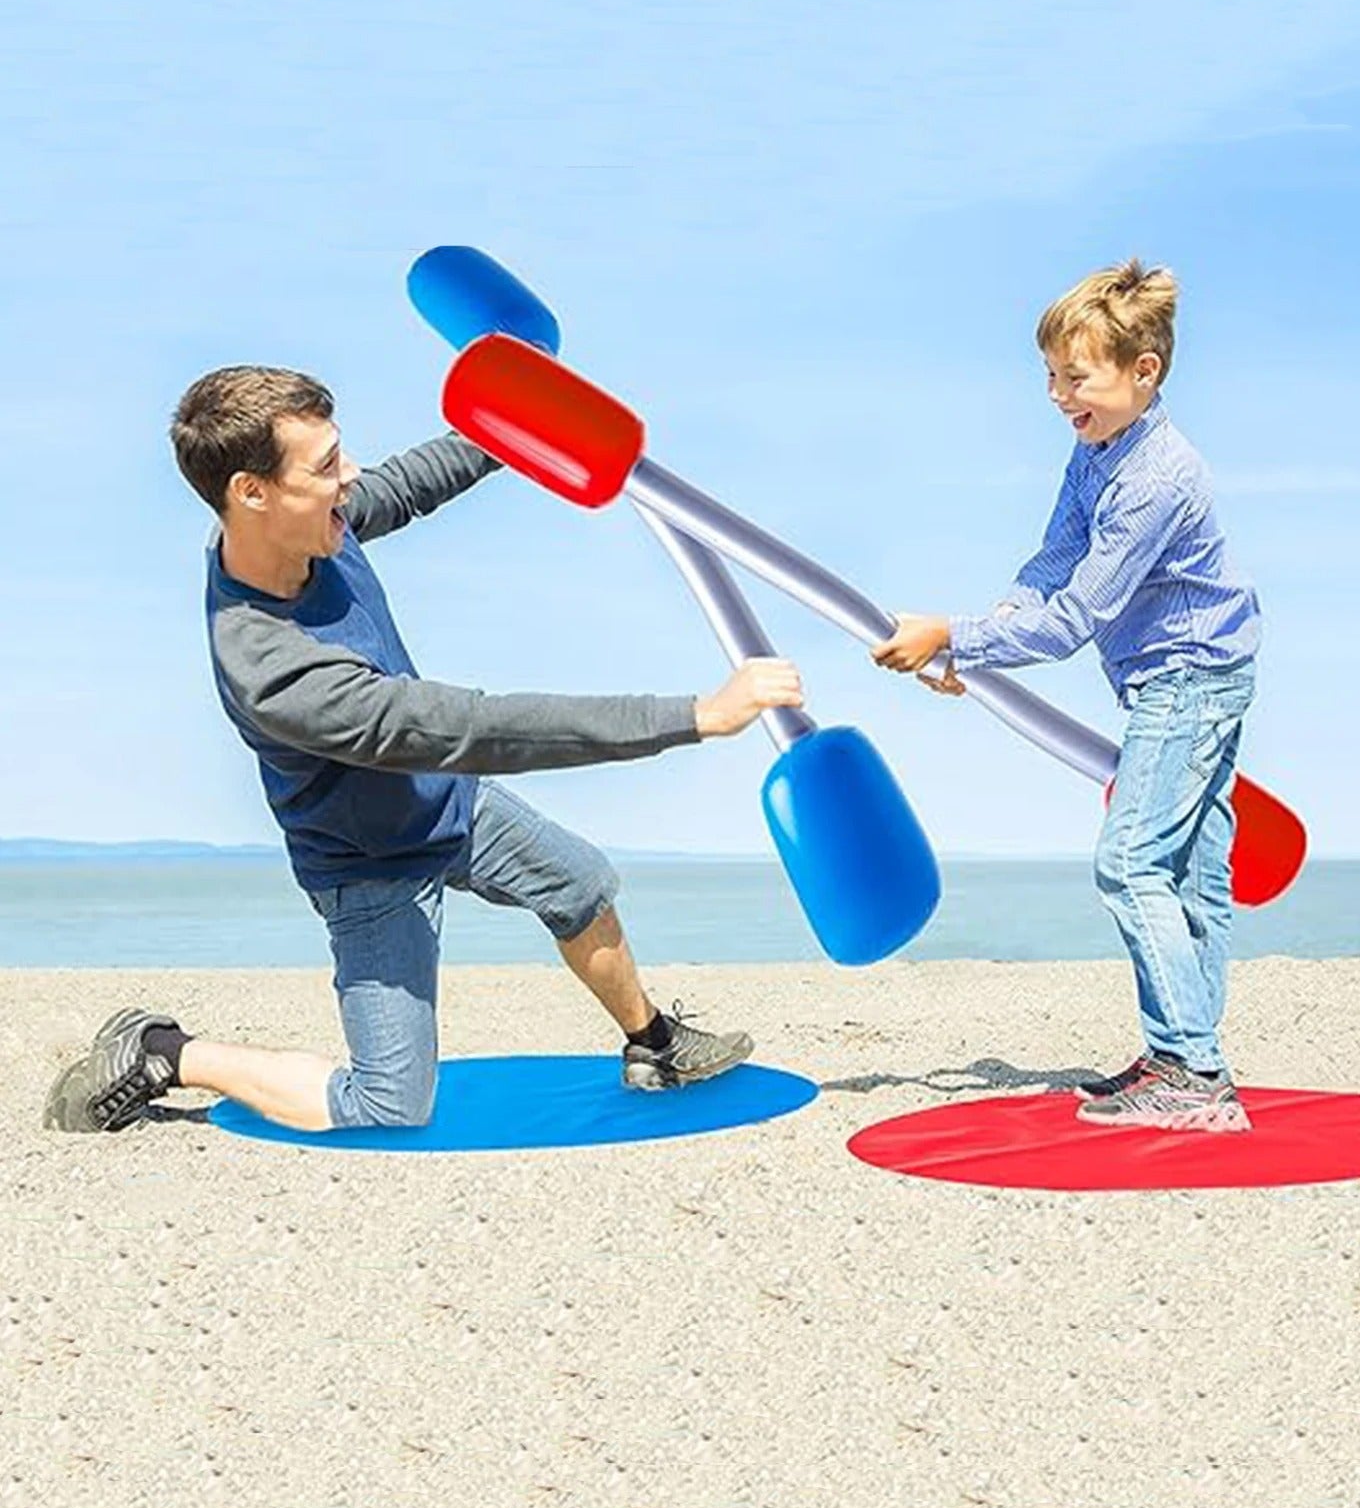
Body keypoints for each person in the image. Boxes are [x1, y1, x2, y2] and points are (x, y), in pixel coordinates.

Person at [44, 365, 803, 1136]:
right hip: (369, 864)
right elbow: (468, 727)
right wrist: (695, 715)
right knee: (391, 1106)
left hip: (447, 800)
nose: (353, 475)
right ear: (251, 492)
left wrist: (520, 426)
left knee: (579, 884)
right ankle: (165, 1050)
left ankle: (656, 1045)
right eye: (327, 465)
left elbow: (409, 483)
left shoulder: (311, 528)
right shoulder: (272, 667)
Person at [871, 260, 1261, 1132]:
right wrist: (978, 639)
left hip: (1190, 677)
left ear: (1143, 371)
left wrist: (957, 634)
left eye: (1074, 376)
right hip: (1182, 674)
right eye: (1050, 376)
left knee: (1130, 865)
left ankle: (1194, 1077)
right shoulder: (1094, 452)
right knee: (1193, 876)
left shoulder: (1158, 478)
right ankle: (1182, 1056)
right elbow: (1052, 564)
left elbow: (1076, 616)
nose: (1056, 394)